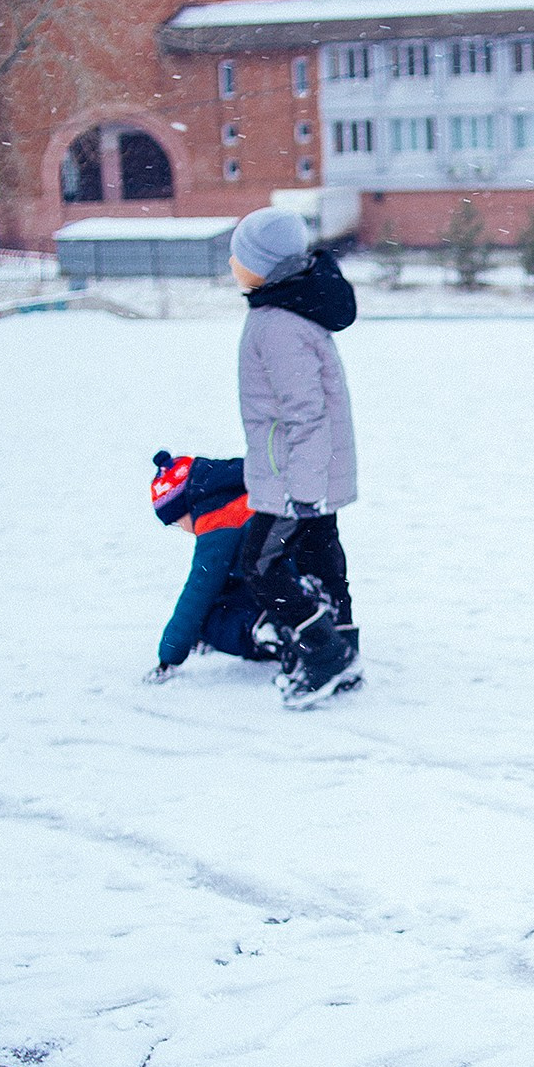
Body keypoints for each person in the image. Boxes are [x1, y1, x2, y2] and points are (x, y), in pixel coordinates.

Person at [228, 207, 362, 708]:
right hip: (310, 472)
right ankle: (345, 649)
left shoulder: (277, 326)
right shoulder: (293, 311)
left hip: (295, 474)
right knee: (320, 559)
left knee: (260, 564)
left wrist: (299, 490)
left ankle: (325, 653)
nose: (233, 263)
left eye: (241, 257)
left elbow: (306, 416)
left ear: (265, 266)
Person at [144, 450, 352, 682]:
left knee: (209, 618)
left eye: (176, 521)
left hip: (283, 585)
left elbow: (198, 590)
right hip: (305, 568)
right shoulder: (243, 494)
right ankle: (318, 623)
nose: (182, 529)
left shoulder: (216, 519)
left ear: (184, 506)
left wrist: (169, 655)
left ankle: (271, 632)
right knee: (228, 589)